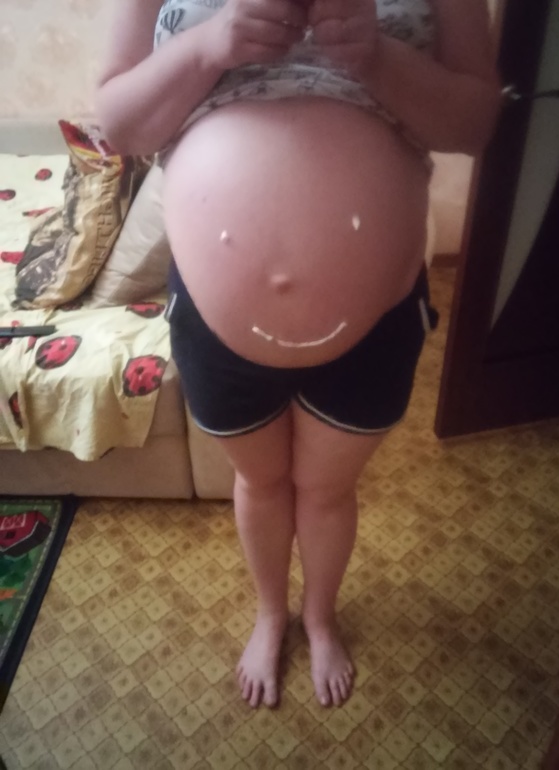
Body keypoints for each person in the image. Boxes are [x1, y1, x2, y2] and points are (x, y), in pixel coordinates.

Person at [96, 0, 501, 709]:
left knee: (327, 490)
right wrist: (210, 46)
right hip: (218, 323)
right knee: (259, 484)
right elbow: (118, 126)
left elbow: (475, 124)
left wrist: (377, 56)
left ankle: (319, 617)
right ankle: (270, 613)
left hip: (374, 319)